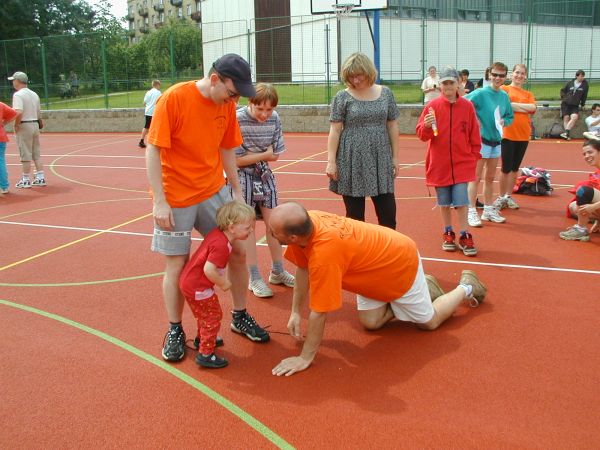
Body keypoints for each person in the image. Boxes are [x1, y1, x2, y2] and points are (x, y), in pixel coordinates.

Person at [146, 53, 270, 363]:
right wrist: (160, 200)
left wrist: (237, 192)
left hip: (212, 189)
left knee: (239, 249)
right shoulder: (174, 99)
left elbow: (226, 147)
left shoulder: (226, 105)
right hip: (176, 195)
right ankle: (175, 329)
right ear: (215, 79)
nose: (235, 99)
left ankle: (239, 315)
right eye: (232, 92)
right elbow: (153, 148)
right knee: (178, 263)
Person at [268, 202, 487, 377]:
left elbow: (320, 311)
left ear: (293, 237)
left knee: (428, 322)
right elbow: (303, 269)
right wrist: (295, 311)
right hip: (372, 268)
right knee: (371, 323)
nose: (269, 231)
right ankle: (422, 288)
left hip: (400, 262)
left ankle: (466, 287)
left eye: (273, 231)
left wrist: (306, 357)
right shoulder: (308, 222)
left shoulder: (325, 254)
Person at [326, 52, 400, 229]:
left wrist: (395, 158)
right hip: (351, 157)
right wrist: (331, 161)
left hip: (380, 157)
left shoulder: (386, 94)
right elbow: (335, 130)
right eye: (351, 76)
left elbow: (392, 126)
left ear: (368, 72)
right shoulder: (342, 97)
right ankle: (359, 253)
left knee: (388, 214)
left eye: (358, 75)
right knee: (355, 217)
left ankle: (388, 251)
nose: (355, 80)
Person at [234, 82, 295, 298]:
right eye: (259, 109)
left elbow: (276, 154)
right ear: (250, 103)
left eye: (269, 109)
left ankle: (278, 270)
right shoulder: (238, 118)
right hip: (242, 178)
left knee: (274, 225)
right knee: (247, 227)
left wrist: (255, 154)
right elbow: (237, 160)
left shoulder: (275, 119)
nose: (264, 114)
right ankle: (254, 277)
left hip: (265, 175)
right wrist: (263, 154)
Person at [179, 201, 256, 368]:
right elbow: (209, 270)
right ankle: (206, 353)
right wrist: (224, 283)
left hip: (190, 283)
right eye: (247, 227)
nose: (251, 230)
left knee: (204, 315)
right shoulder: (221, 245)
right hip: (198, 287)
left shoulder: (219, 235)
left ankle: (203, 338)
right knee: (213, 316)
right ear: (232, 227)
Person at [416, 66, 481, 256]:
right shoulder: (432, 107)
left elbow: (474, 135)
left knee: (461, 202)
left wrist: (473, 156)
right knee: (444, 202)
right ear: (440, 86)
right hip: (440, 164)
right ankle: (448, 231)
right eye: (444, 83)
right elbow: (422, 134)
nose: (448, 87)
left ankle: (464, 233)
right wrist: (426, 126)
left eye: (451, 83)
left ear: (458, 84)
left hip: (461, 164)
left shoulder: (467, 106)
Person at [465, 62, 514, 227]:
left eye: (501, 75)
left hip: (496, 141)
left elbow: (509, 116)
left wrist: (504, 121)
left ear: (506, 77)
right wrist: (475, 119)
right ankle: (470, 211)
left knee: (490, 177)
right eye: (495, 74)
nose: (498, 78)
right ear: (489, 74)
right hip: (481, 141)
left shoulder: (504, 96)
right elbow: (463, 104)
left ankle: (487, 209)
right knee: (475, 177)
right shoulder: (480, 93)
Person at [495, 64, 537, 211]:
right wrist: (522, 107)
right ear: (512, 74)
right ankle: (501, 197)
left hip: (523, 134)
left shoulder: (528, 94)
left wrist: (513, 105)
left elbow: (532, 108)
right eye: (517, 72)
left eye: (522, 73)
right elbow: (504, 106)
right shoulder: (504, 89)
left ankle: (508, 196)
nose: (519, 75)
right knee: (505, 168)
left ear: (525, 77)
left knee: (514, 169)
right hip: (507, 134)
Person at [8, 71, 46, 189]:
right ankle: (40, 177)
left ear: (18, 81)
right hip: (34, 123)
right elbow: (38, 112)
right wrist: (39, 122)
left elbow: (18, 111)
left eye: (13, 80)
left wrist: (16, 124)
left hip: (25, 124)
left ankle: (25, 179)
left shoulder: (18, 95)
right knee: (36, 153)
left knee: (25, 153)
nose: (13, 83)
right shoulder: (34, 94)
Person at [559, 140, 600, 241]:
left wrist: (593, 207)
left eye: (590, 152)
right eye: (584, 154)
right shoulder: (597, 172)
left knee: (583, 191)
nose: (586, 156)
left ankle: (581, 230)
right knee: (573, 206)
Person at [559, 70, 589, 141]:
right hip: (565, 104)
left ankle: (566, 133)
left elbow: (584, 95)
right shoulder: (570, 82)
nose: (582, 78)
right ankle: (567, 135)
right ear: (576, 76)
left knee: (574, 117)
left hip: (575, 105)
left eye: (583, 76)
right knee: (566, 118)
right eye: (580, 76)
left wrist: (582, 104)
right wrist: (564, 98)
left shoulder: (585, 85)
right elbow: (562, 90)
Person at [0, 101, 18, 196]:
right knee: (1, 160)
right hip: (1, 136)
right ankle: (4, 186)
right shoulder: (1, 105)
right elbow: (14, 113)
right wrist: (3, 123)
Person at [139, 79, 161, 148]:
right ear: (157, 85)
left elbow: (144, 103)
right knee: (155, 127)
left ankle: (141, 141)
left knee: (146, 126)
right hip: (155, 112)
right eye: (159, 85)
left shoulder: (148, 92)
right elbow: (161, 102)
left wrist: (149, 106)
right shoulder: (158, 93)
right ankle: (154, 142)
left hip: (148, 112)